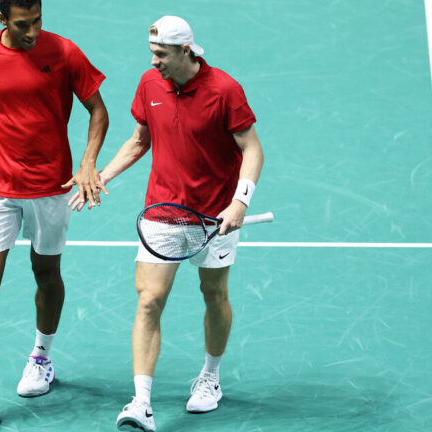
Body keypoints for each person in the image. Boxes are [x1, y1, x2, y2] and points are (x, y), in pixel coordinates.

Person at [71, 16, 264, 431]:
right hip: (162, 213)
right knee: (148, 300)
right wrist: (101, 176)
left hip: (214, 215)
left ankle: (210, 378)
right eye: (152, 52)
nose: (154, 60)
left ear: (186, 52)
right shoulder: (149, 83)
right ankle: (141, 402)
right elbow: (140, 140)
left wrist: (240, 203)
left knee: (214, 293)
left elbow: (252, 149)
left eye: (161, 54)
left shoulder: (224, 90)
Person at [0, 0, 109, 419]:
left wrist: (88, 163)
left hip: (51, 187)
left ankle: (41, 359)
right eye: (22, 24)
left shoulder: (65, 53)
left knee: (46, 273)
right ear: (1, 19)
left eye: (37, 21)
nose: (31, 31)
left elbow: (98, 111)